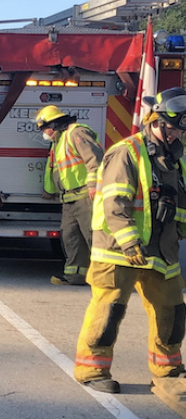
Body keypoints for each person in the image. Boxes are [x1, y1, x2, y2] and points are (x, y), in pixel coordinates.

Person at [73, 87, 186, 394]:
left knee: (173, 311)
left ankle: (169, 369)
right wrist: (129, 241)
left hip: (162, 250)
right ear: (156, 121)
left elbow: (180, 201)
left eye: (180, 130)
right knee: (109, 311)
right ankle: (92, 370)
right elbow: (115, 202)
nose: (176, 135)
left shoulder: (174, 158)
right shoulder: (127, 152)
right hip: (118, 250)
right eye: (173, 128)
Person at [35, 105, 103, 285]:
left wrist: (94, 185)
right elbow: (54, 170)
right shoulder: (58, 142)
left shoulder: (76, 133)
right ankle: (76, 276)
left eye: (44, 128)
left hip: (85, 196)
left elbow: (95, 159)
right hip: (69, 199)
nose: (44, 133)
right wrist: (49, 191)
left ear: (53, 125)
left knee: (93, 237)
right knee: (71, 238)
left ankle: (105, 278)